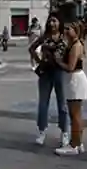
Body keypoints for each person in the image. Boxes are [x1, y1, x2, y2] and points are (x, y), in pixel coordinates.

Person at [28, 14, 69, 148]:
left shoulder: (64, 37)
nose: (52, 24)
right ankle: (41, 131)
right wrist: (39, 61)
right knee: (43, 103)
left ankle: (64, 132)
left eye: (55, 21)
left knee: (62, 103)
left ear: (60, 23)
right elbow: (31, 48)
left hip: (59, 71)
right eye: (50, 21)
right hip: (45, 72)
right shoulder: (44, 37)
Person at [55, 22, 87, 156]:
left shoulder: (75, 46)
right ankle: (78, 142)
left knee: (74, 114)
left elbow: (70, 67)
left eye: (69, 29)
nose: (66, 31)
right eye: (66, 29)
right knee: (76, 114)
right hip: (74, 80)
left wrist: (58, 61)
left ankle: (74, 145)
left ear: (76, 30)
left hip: (75, 80)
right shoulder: (74, 44)